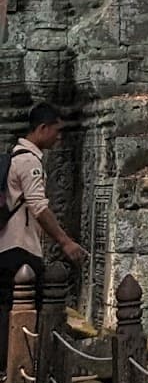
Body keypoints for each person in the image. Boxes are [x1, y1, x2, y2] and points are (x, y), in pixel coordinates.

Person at [0, 104, 86, 307]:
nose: (59, 138)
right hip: (21, 249)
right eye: (57, 131)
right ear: (42, 128)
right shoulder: (30, 162)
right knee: (25, 314)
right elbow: (39, 207)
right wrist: (65, 241)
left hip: (5, 249)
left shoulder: (13, 157)